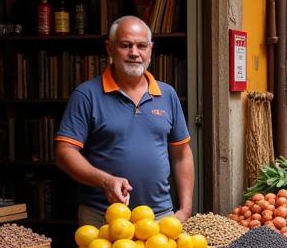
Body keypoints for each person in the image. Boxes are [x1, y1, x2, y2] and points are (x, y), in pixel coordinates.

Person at [56, 15, 194, 226]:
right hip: (103, 217)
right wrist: (105, 180)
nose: (134, 53)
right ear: (110, 49)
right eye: (125, 45)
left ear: (151, 49)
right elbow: (64, 152)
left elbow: (181, 155)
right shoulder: (86, 95)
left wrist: (185, 209)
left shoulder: (167, 94)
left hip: (160, 218)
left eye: (141, 46)